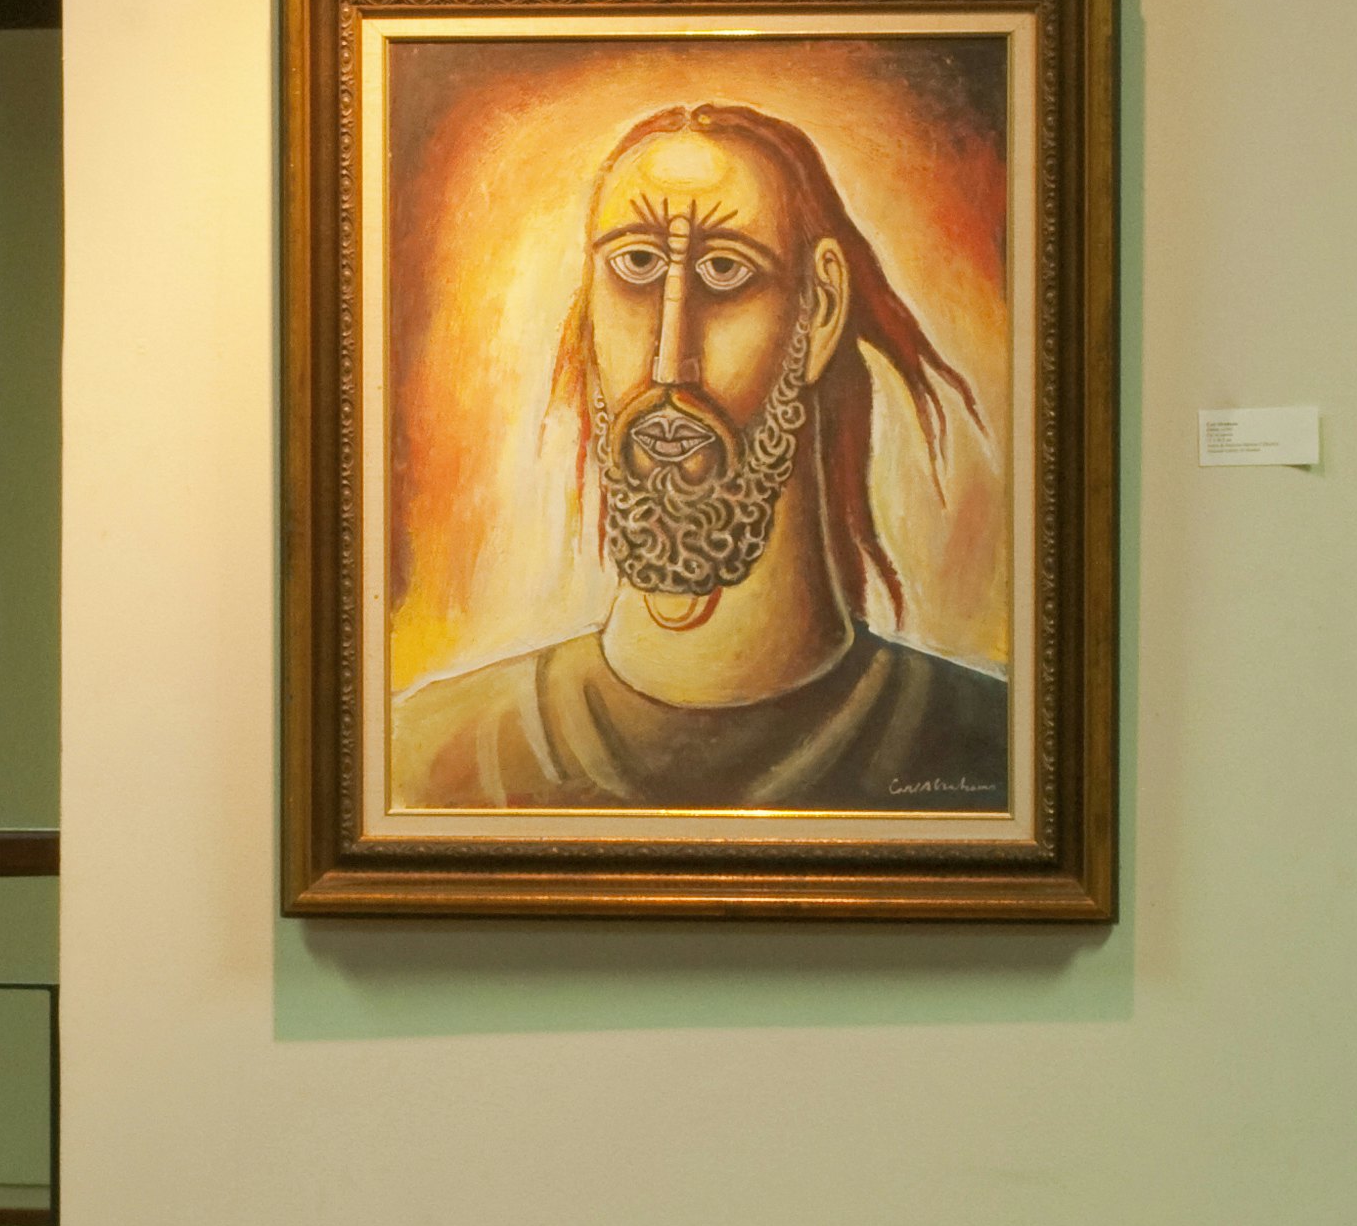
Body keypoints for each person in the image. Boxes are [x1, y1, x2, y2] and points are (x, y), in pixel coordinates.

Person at [391, 100, 1009, 812]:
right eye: (635, 264)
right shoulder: (426, 760)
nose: (668, 364)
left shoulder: (983, 749)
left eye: (725, 269)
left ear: (820, 309)